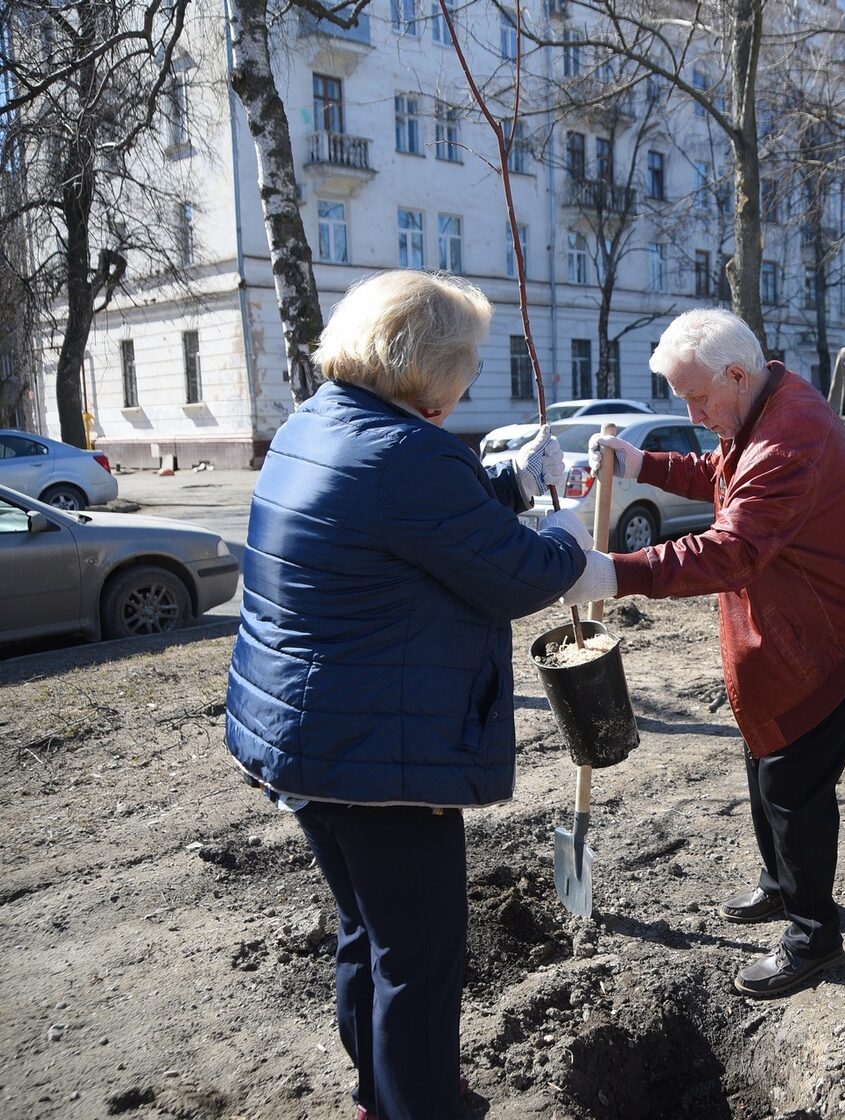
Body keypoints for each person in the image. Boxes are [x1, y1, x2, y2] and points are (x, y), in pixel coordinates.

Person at [224, 271, 589, 1120]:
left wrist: (509, 483)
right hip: (377, 758)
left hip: (304, 736)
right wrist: (565, 533)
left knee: (368, 935)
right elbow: (518, 572)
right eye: (468, 363)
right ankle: (420, 1106)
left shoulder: (319, 423)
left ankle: (377, 1095)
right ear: (430, 366)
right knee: (420, 961)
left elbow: (418, 516)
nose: (471, 378)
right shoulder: (407, 455)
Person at [561, 307, 845, 999]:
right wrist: (642, 463)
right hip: (784, 630)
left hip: (827, 639)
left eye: (696, 397)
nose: (690, 411)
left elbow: (732, 548)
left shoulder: (790, 435)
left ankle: (814, 935)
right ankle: (781, 883)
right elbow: (720, 474)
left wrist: (618, 572)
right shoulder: (760, 410)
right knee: (764, 761)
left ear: (737, 375)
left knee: (792, 787)